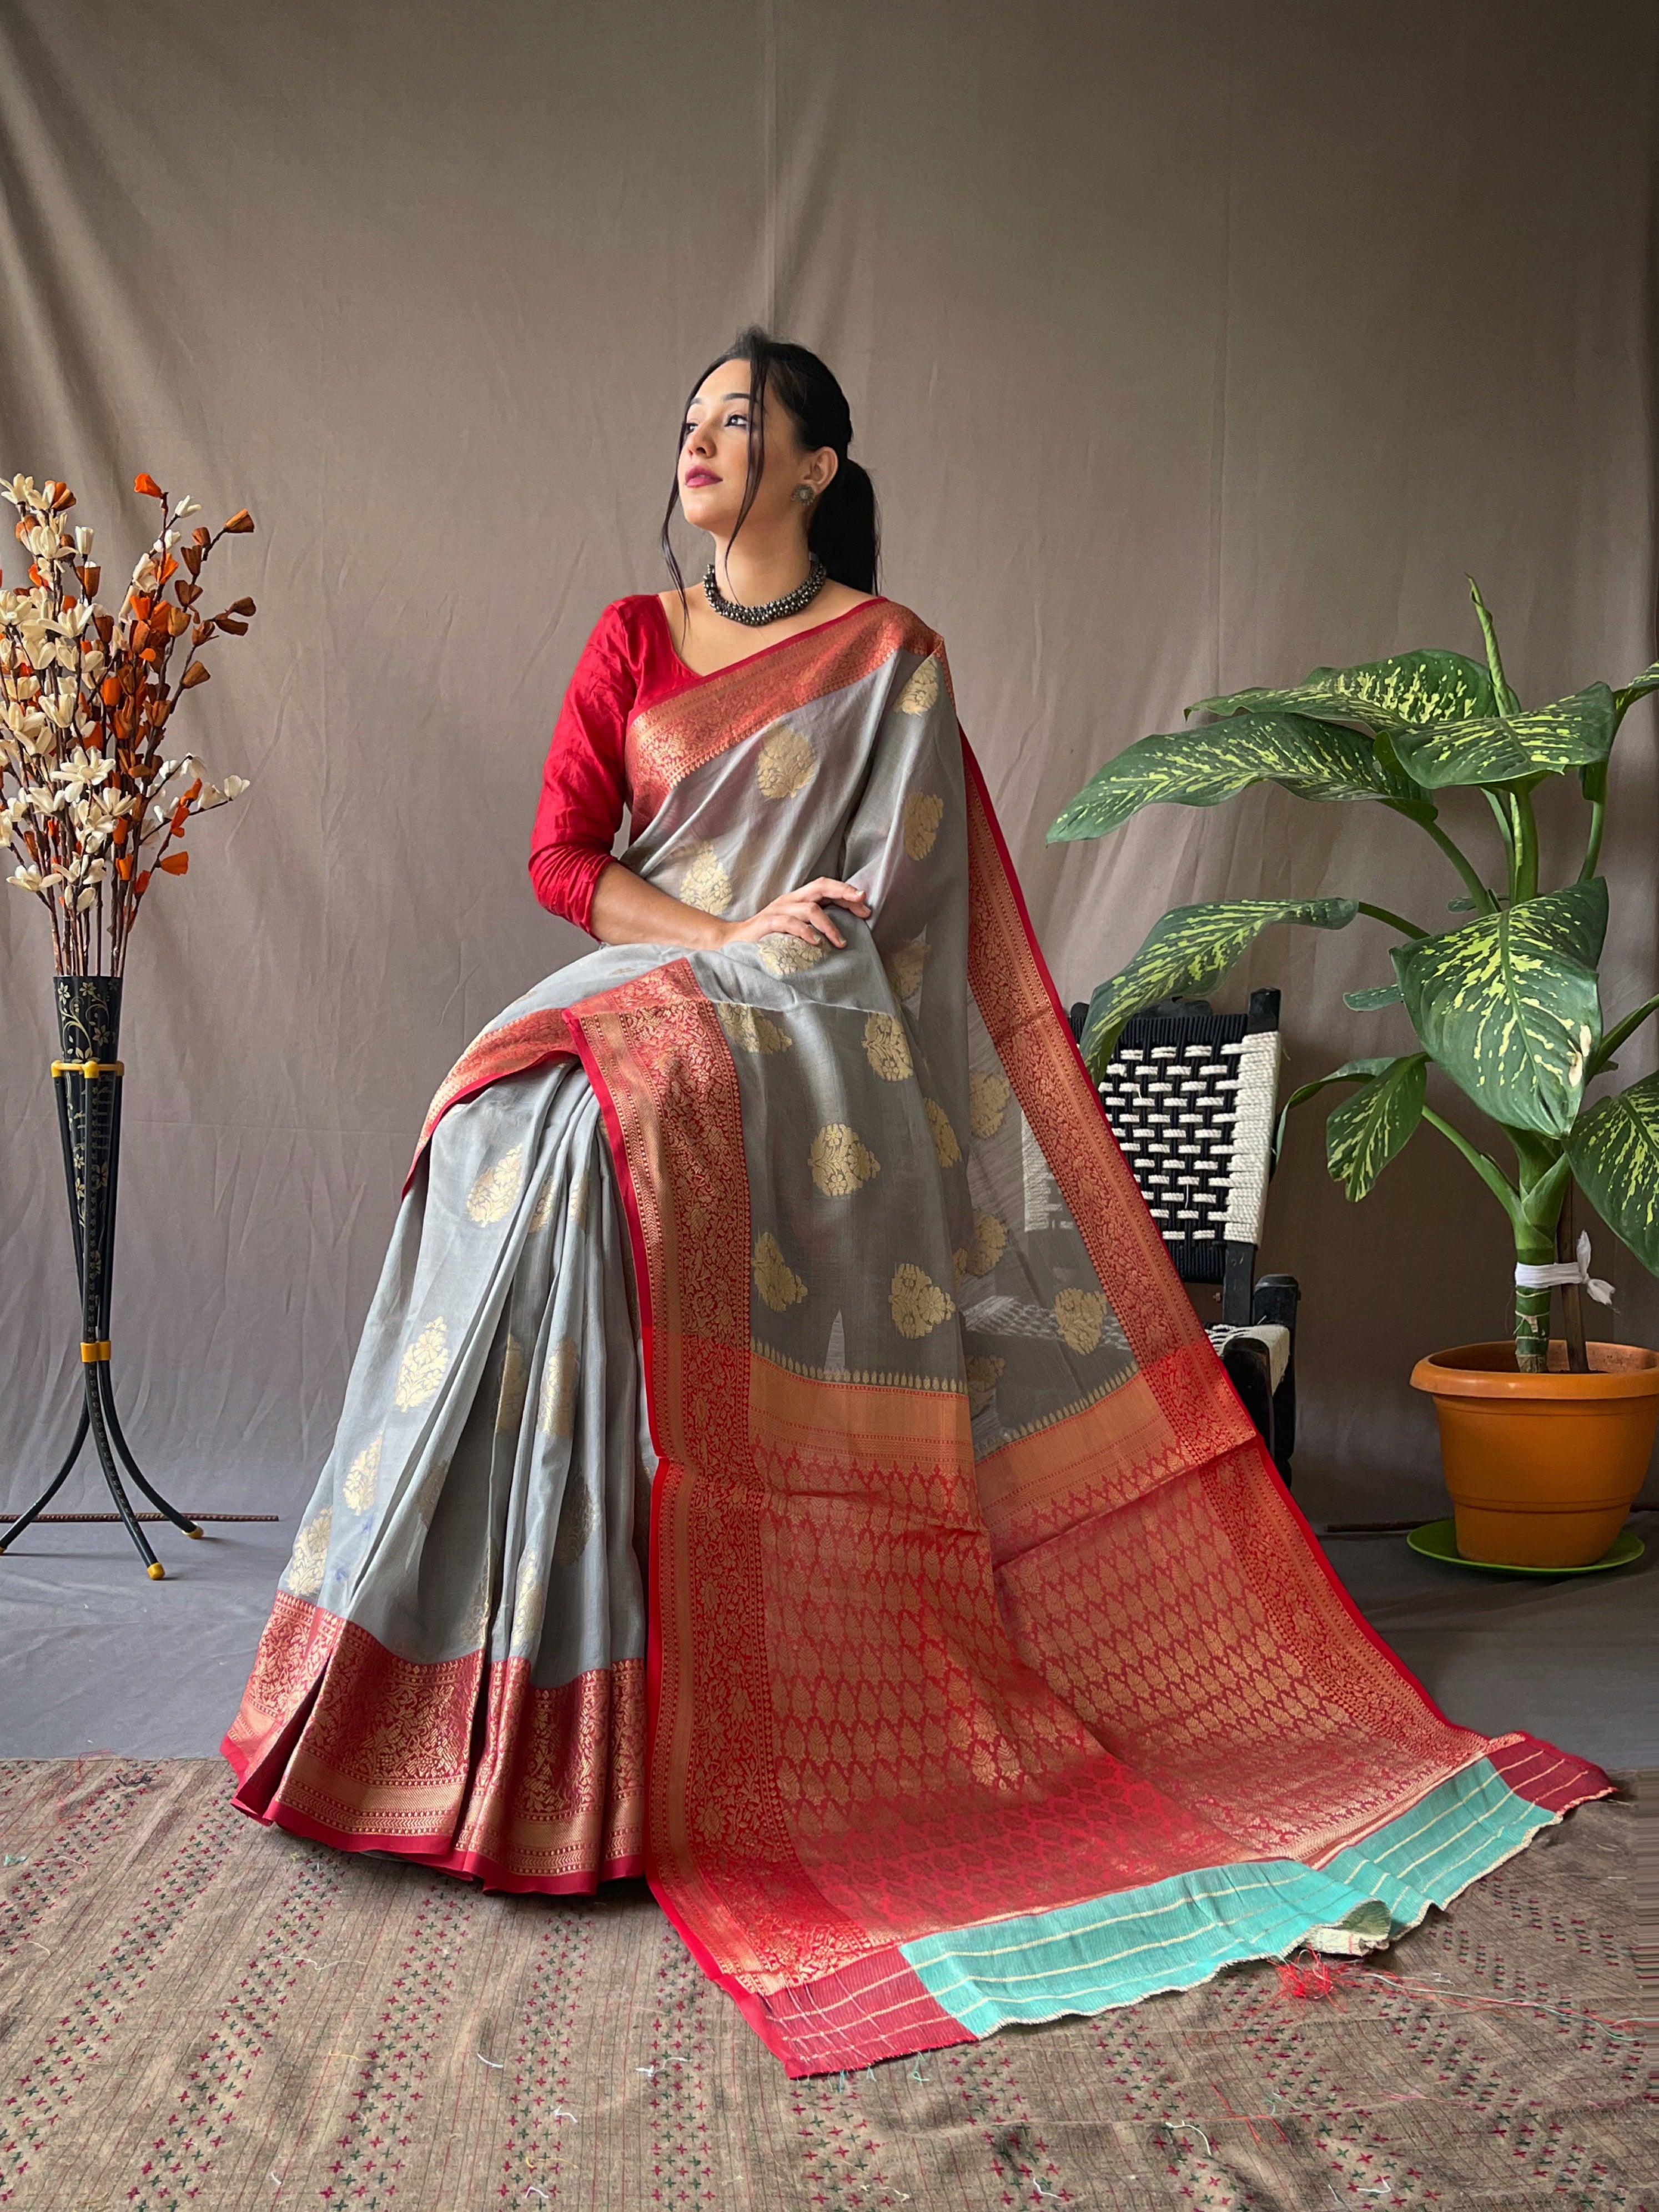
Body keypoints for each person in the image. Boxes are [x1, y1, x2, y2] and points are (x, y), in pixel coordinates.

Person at [224, 329, 1607, 2077]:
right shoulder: (631, 638)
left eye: (739, 419)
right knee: (522, 1130)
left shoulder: (891, 657)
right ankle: (481, 1695)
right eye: (689, 420)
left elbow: (891, 909)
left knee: (602, 1139)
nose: (699, 442)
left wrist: (763, 956)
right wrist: (712, 936)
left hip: (821, 1014)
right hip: (661, 977)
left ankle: (637, 1726)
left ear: (816, 466)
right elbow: (565, 861)